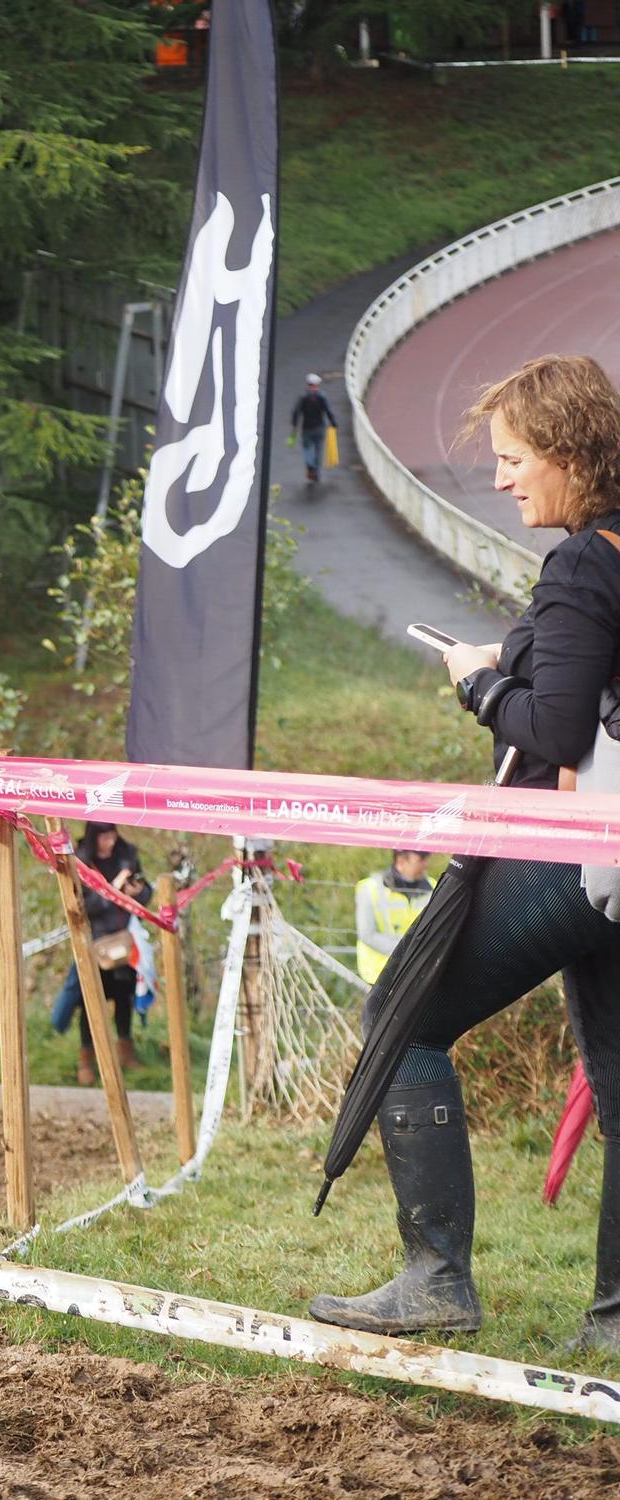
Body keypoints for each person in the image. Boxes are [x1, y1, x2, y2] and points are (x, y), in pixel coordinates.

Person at [309, 354, 620, 1352]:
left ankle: (433, 1279)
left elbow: (558, 726)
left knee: (401, 1018)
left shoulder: (580, 561)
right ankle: (613, 1325)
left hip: (573, 848)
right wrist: (517, 658)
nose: (500, 479)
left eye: (511, 457)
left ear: (570, 454)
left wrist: (473, 681)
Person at [48, 822, 149, 1085]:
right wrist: (111, 891)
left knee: (125, 998)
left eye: (112, 835)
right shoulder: (80, 860)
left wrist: (138, 893)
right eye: (104, 836)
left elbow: (145, 891)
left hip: (124, 940)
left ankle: (126, 1050)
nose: (110, 842)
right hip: (94, 943)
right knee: (90, 1002)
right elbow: (80, 906)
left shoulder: (127, 855)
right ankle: (86, 1059)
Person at [354, 850, 435, 983]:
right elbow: (367, 933)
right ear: (401, 861)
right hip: (378, 977)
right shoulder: (370, 889)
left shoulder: (434, 888)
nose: (425, 865)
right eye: (420, 860)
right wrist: (405, 952)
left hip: (417, 976)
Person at [291, 373, 338, 484]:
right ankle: (316, 471)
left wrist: (294, 425)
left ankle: (310, 466)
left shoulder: (303, 397)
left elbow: (296, 412)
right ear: (317, 385)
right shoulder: (322, 396)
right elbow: (328, 410)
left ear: (308, 384)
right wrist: (333, 422)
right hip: (319, 427)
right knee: (319, 450)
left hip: (306, 428)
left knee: (307, 449)